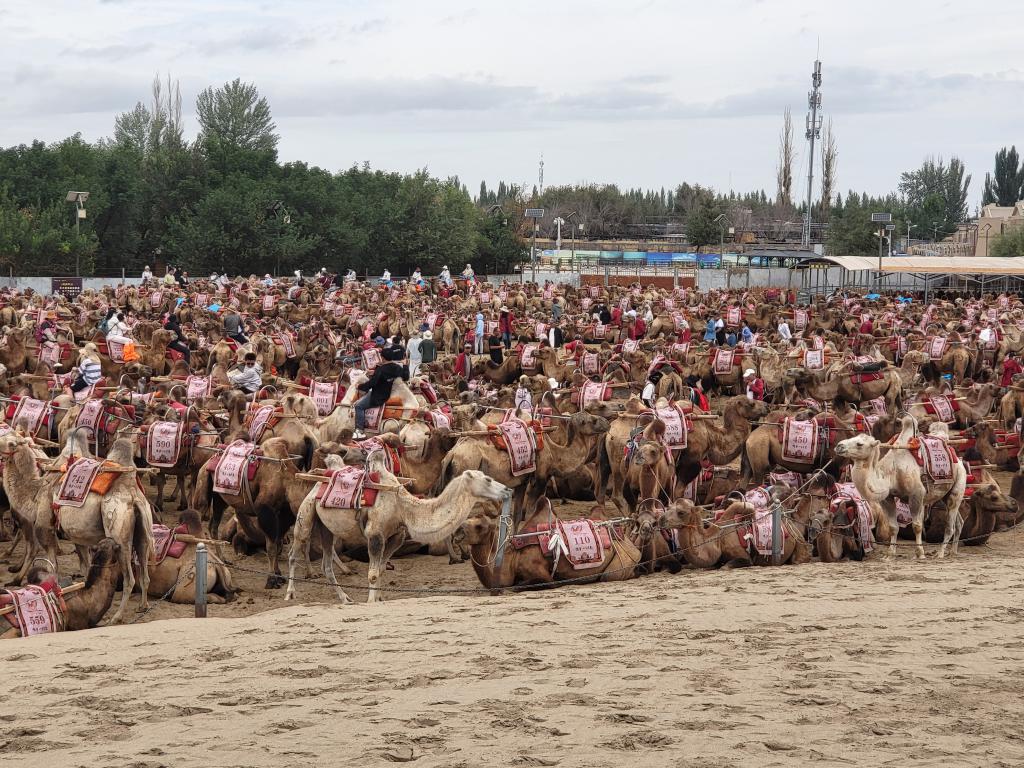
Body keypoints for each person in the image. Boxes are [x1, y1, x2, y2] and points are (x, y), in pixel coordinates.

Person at [352, 350, 409, 439]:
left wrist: (359, 386)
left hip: (377, 396)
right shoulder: (397, 368)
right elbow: (406, 377)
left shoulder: (381, 369)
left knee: (358, 406)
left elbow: (372, 383)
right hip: (388, 394)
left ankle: (359, 430)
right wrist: (405, 365)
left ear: (382, 358)